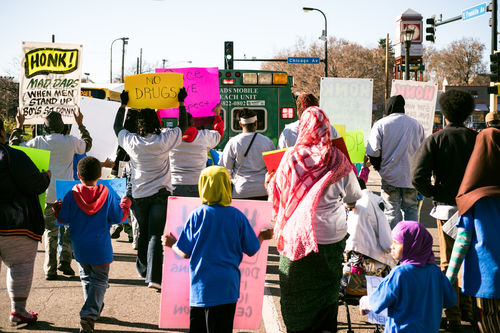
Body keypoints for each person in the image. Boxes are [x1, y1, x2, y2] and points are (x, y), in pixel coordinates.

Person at [268, 106, 362, 332]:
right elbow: (354, 195)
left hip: (296, 235)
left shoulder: (291, 158)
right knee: (327, 285)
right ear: (326, 128)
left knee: (295, 285)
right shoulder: (338, 158)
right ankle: (325, 326)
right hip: (332, 235)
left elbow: (276, 192)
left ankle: (298, 326)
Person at [162, 166, 273, 333]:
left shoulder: (197, 215)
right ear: (227, 187)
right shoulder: (237, 216)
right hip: (227, 288)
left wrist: (172, 244)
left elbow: (184, 252)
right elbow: (252, 249)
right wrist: (263, 236)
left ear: (202, 187)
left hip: (201, 289)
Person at [411, 89, 477, 330]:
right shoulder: (476, 138)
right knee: (472, 258)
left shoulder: (435, 140)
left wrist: (433, 193)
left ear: (444, 114)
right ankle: (471, 308)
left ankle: (453, 314)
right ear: (468, 113)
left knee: (448, 262)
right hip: (474, 207)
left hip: (447, 208)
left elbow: (417, 175)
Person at [114, 89, 187, 289]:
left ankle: (144, 269)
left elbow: (116, 127)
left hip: (139, 195)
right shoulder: (164, 140)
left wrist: (123, 106)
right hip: (160, 195)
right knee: (155, 234)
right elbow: (184, 126)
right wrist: (181, 103)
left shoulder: (131, 141)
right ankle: (154, 277)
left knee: (143, 233)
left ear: (139, 124)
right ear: (157, 122)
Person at [10, 109, 92, 280]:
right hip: (68, 193)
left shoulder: (39, 141)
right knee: (68, 229)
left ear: (45, 127)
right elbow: (87, 144)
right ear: (62, 125)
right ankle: (65, 262)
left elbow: (15, 146)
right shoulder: (70, 141)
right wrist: (80, 123)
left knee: (50, 231)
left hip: (47, 193)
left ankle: (50, 268)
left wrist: (19, 125)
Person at [53, 156, 131, 333]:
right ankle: (89, 314)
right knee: (100, 279)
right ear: (101, 174)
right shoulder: (107, 193)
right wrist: (125, 205)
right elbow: (118, 217)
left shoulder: (71, 194)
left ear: (78, 175)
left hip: (79, 246)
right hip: (100, 246)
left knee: (87, 277)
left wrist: (57, 209)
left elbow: (64, 219)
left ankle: (94, 310)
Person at [446, 125, 500, 332]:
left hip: (485, 281)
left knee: (489, 324)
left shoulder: (473, 200)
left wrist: (449, 278)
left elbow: (462, 241)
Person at [359, 221, 457, 332]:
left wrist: (364, 302)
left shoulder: (399, 273)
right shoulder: (436, 272)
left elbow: (377, 302)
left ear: (413, 245)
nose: (392, 246)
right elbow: (451, 300)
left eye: (397, 243)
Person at [0, 117, 51, 325]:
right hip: (18, 225)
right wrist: (46, 177)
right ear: (2, 133)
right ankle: (18, 311)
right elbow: (36, 185)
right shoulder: (16, 156)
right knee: (20, 265)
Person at [366, 95, 424, 228]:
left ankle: (393, 244)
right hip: (411, 176)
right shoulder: (416, 125)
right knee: (411, 209)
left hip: (389, 176)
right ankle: (411, 241)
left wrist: (379, 168)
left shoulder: (381, 124)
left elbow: (373, 152)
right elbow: (422, 151)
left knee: (391, 211)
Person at [344, 178, 397, 277]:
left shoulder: (351, 202)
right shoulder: (373, 200)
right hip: (372, 256)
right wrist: (394, 255)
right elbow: (385, 237)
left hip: (353, 255)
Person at [219, 109, 275, 200]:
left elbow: (225, 168)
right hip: (263, 190)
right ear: (256, 123)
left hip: (241, 190)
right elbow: (273, 168)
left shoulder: (233, 142)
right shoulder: (267, 142)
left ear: (241, 124)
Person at [170, 104, 223, 197]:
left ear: (178, 124)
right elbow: (218, 133)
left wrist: (157, 112)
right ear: (193, 123)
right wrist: (217, 115)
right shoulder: (204, 136)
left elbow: (156, 134)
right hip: (198, 184)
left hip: (175, 184)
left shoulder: (171, 137)